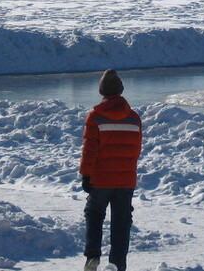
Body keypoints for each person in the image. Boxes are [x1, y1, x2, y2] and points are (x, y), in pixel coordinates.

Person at [80, 69, 142, 271]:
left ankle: (93, 256)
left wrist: (86, 174)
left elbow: (90, 149)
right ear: (121, 90)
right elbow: (136, 150)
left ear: (102, 91)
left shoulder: (95, 116)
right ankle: (118, 264)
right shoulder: (134, 118)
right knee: (122, 221)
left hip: (101, 178)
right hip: (126, 179)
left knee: (94, 213)